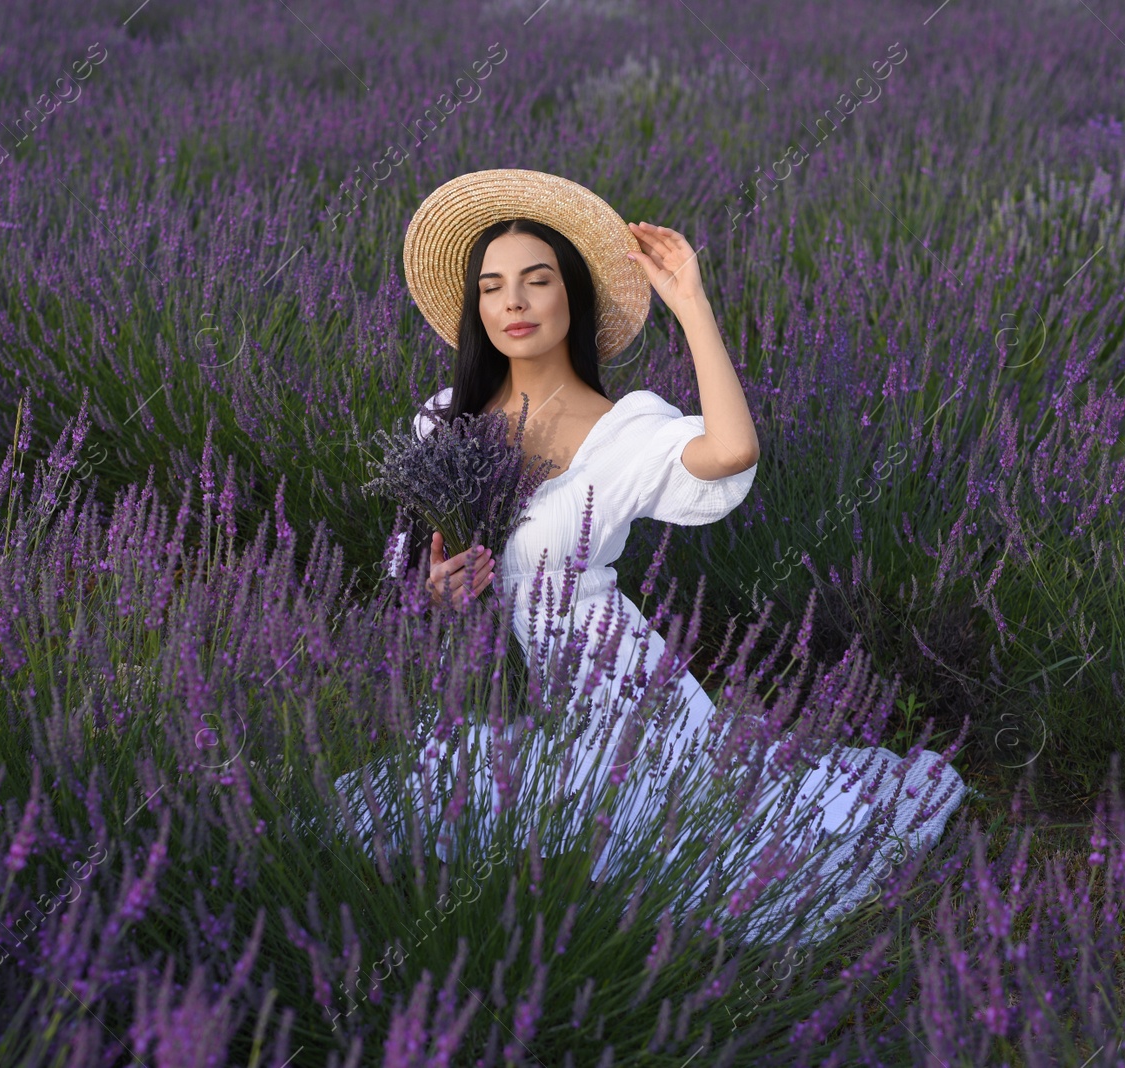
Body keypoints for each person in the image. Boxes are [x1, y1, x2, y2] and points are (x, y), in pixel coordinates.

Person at [335, 168, 965, 945]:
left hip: (617, 677)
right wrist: (437, 590)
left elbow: (730, 451)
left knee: (680, 848)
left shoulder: (623, 428)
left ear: (573, 297)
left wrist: (691, 306)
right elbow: (414, 569)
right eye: (493, 287)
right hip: (518, 679)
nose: (515, 303)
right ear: (476, 308)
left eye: (538, 281)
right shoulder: (445, 420)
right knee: (447, 800)